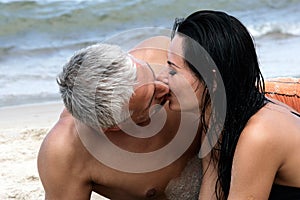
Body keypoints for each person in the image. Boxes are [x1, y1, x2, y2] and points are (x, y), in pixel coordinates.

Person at [37, 36, 202, 200]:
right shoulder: (66, 153)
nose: (164, 88)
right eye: (151, 99)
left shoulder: (166, 52)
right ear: (114, 127)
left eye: (151, 74)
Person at [158, 10, 300, 200]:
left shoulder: (259, 134)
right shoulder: (217, 118)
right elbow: (211, 192)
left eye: (173, 71)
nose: (161, 78)